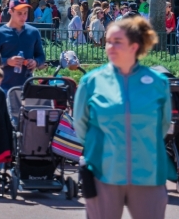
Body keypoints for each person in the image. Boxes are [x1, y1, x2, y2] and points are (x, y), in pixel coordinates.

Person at [73, 15, 171, 219]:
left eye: (117, 42)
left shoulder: (158, 83)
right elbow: (81, 125)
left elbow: (162, 126)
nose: (110, 46)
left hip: (148, 175)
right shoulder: (90, 81)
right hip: (103, 174)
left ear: (134, 46)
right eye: (108, 41)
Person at [0, 0, 45, 91]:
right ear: (10, 11)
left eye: (25, 13)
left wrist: (36, 62)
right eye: (19, 13)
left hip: (27, 88)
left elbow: (41, 56)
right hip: (3, 88)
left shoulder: (34, 32)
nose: (23, 17)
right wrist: (7, 61)